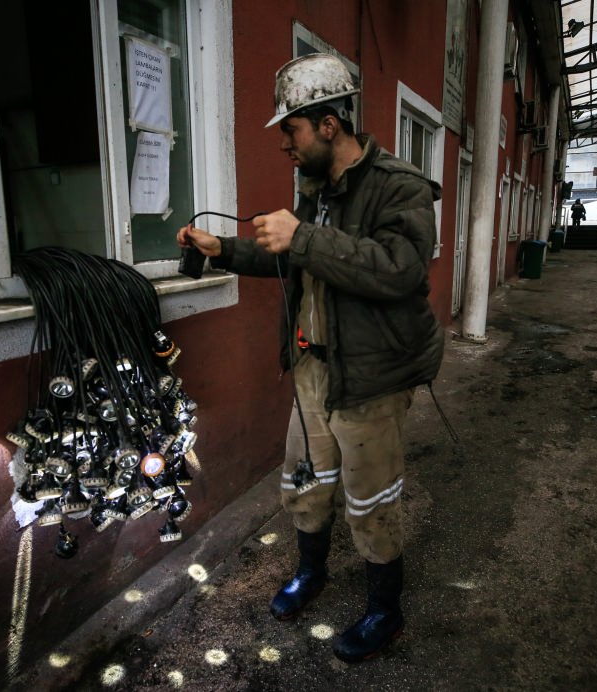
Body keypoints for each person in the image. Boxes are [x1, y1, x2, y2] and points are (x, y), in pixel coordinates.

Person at [175, 53, 444, 663]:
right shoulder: (316, 192)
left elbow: (401, 271)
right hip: (312, 371)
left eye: (290, 130)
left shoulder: (399, 187)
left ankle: (384, 611)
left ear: (328, 125)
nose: (284, 146)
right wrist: (223, 249)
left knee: (371, 500)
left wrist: (303, 235)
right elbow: (290, 256)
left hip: (370, 377)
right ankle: (312, 573)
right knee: (306, 481)